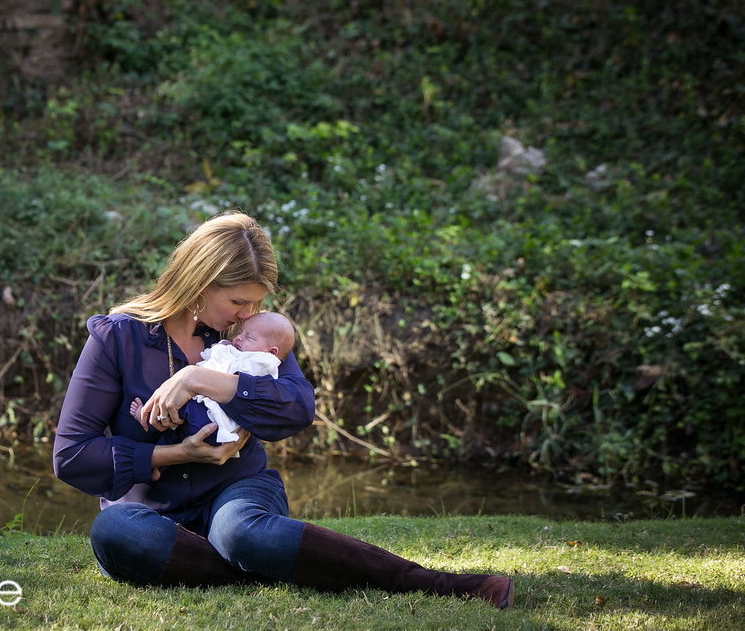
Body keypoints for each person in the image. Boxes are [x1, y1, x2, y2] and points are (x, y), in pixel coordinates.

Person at [52, 211, 514, 609]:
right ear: (198, 281)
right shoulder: (117, 338)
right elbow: (71, 456)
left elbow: (297, 409)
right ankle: (264, 572)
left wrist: (200, 379)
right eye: (237, 300)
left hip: (238, 492)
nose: (246, 313)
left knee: (241, 533)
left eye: (255, 302)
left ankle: (437, 584)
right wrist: (173, 456)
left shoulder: (250, 338)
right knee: (116, 530)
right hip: (147, 511)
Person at [129, 310, 296, 447]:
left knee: (179, 410)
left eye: (249, 338)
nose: (238, 338)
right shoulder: (249, 352)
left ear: (272, 352)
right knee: (176, 432)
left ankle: (150, 420)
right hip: (209, 415)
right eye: (240, 333)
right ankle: (159, 460)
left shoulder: (265, 362)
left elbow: (231, 371)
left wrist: (221, 351)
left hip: (214, 420)